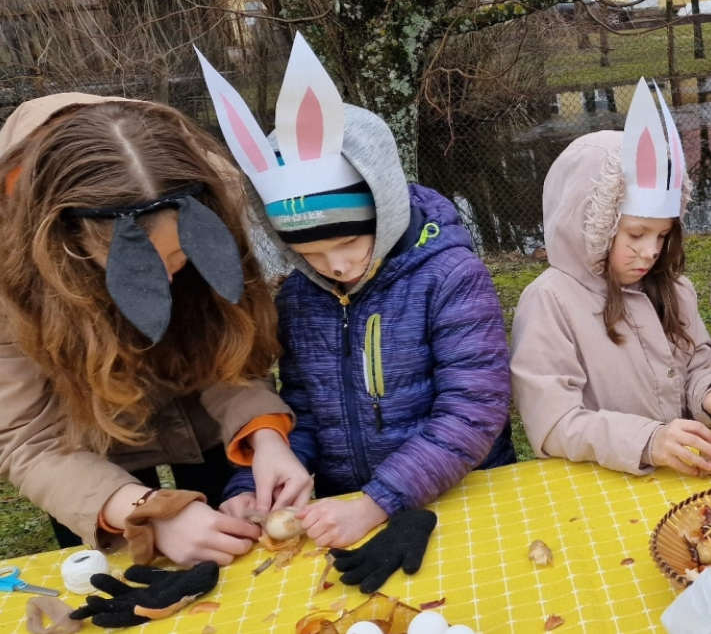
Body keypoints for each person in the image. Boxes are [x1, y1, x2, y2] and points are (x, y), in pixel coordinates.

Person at [0, 94, 308, 565]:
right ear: (68, 247)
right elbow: (26, 435)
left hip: (207, 411)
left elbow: (231, 338)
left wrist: (262, 433)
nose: (170, 282)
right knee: (133, 577)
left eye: (181, 258)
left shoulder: (208, 186)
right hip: (83, 439)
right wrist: (143, 512)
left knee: (237, 549)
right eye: (141, 274)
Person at [205, 36, 513, 551]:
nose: (337, 266)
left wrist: (378, 500)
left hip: (461, 499)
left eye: (349, 242)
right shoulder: (301, 297)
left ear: (383, 208)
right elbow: (303, 408)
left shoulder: (450, 277)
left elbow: (473, 411)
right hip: (348, 510)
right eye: (311, 253)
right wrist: (257, 485)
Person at [511, 79, 711, 476]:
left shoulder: (675, 290)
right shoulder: (550, 302)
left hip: (679, 475)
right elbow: (554, 422)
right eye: (636, 234)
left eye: (662, 236)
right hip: (600, 487)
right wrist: (647, 441)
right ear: (592, 222)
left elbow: (698, 366)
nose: (650, 252)